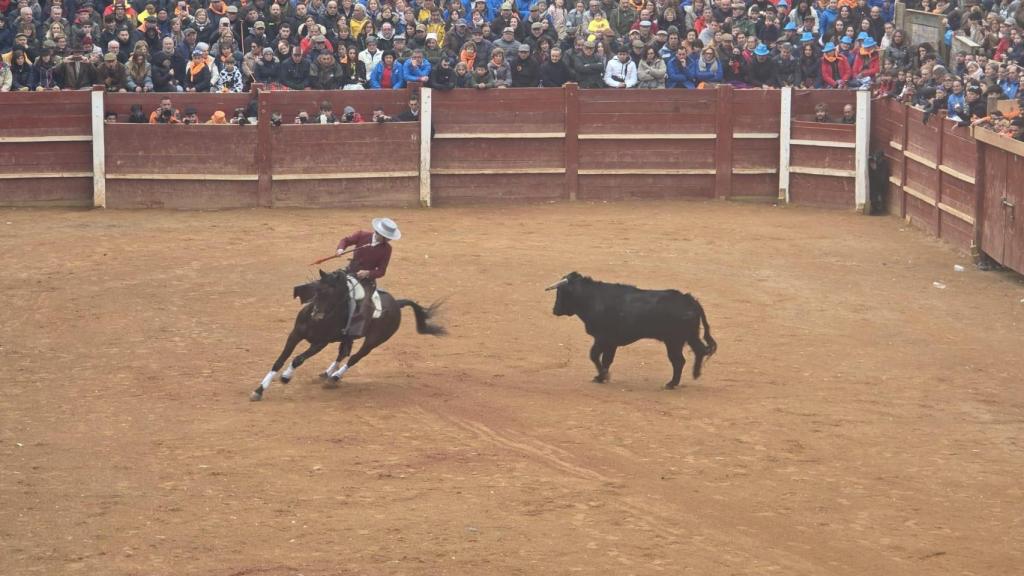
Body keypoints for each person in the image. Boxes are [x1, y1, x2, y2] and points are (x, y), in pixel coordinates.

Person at [335, 218, 401, 338]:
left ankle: (350, 335)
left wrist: (368, 273)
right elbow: (345, 240)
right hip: (350, 271)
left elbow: (381, 271)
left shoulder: (387, 249)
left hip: (366, 281)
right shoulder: (362, 235)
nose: (389, 239)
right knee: (328, 283)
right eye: (388, 237)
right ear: (380, 234)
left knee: (363, 304)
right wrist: (340, 249)